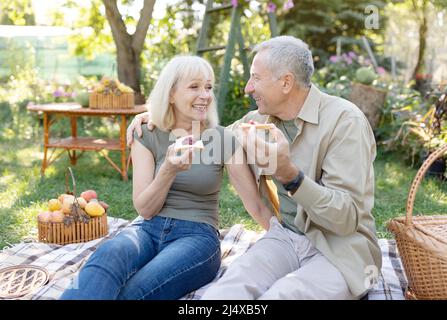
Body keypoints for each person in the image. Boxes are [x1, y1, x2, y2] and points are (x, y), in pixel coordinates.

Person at [126, 36, 382, 300]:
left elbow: (347, 217)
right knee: (223, 294)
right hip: (286, 237)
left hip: (341, 248)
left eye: (256, 78)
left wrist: (291, 177)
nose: (248, 87)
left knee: (284, 295)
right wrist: (155, 115)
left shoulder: (345, 121)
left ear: (286, 82)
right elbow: (214, 135)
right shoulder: (257, 122)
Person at [60, 55, 274, 300]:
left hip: (197, 237)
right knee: (108, 255)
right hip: (146, 228)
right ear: (170, 93)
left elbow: (255, 204)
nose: (205, 95)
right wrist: (168, 171)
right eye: (194, 87)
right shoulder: (146, 133)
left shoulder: (223, 139)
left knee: (138, 290)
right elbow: (145, 209)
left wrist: (289, 242)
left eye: (208, 87)